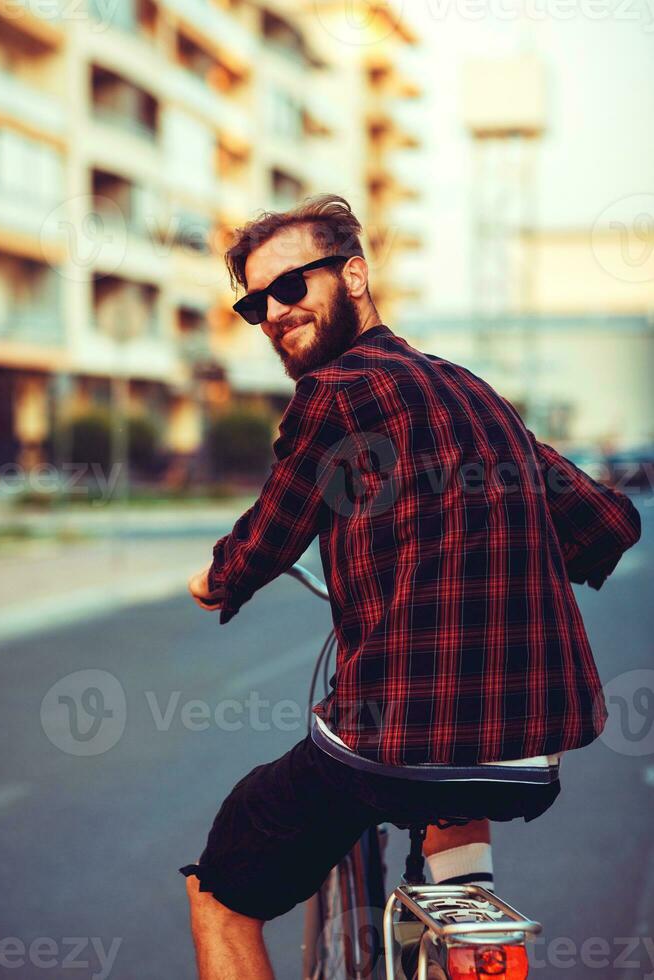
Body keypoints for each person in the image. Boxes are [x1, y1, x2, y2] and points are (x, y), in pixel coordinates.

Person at [183, 195, 642, 980]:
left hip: (387, 744)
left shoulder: (333, 392)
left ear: (354, 275)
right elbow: (608, 523)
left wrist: (211, 579)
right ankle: (471, 938)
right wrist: (515, 538)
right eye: (255, 302)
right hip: (529, 752)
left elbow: (269, 532)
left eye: (291, 286)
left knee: (220, 893)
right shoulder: (475, 393)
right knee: (456, 786)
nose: (273, 313)